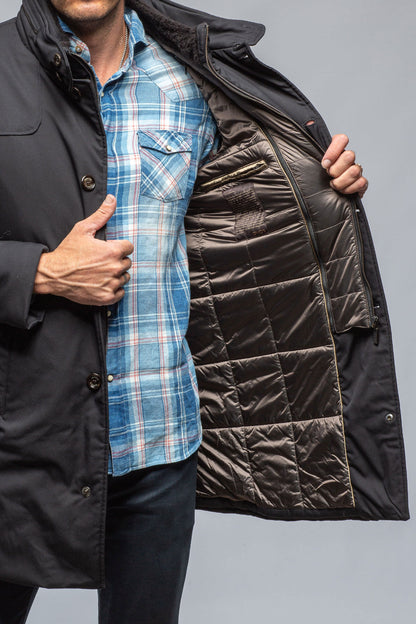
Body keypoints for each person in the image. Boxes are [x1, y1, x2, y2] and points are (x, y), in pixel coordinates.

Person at [0, 0, 408, 623]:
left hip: (161, 443)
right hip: (21, 441)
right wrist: (41, 273)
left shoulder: (189, 80)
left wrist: (323, 188)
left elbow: (253, 206)